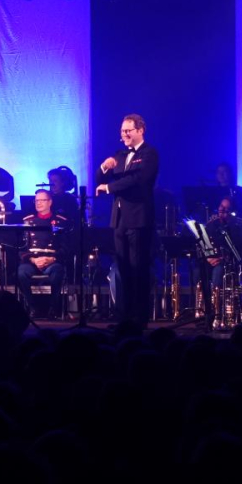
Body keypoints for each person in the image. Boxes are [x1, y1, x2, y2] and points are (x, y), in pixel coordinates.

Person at [95, 113, 159, 326]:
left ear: (140, 130)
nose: (124, 134)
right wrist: (104, 167)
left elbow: (138, 180)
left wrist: (109, 187)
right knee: (122, 268)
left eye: (128, 130)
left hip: (139, 217)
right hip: (119, 219)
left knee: (138, 268)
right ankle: (124, 316)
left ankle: (139, 318)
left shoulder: (150, 153)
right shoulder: (120, 154)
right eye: (122, 131)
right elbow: (99, 179)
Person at [16, 190, 67, 318]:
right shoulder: (28, 221)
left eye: (42, 200)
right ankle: (33, 307)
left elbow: (66, 247)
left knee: (57, 271)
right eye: (36, 200)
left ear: (50, 202)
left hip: (51, 261)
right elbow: (21, 248)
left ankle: (52, 308)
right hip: (32, 261)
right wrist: (33, 260)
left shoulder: (60, 221)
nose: (38, 203)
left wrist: (51, 259)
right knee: (21, 272)